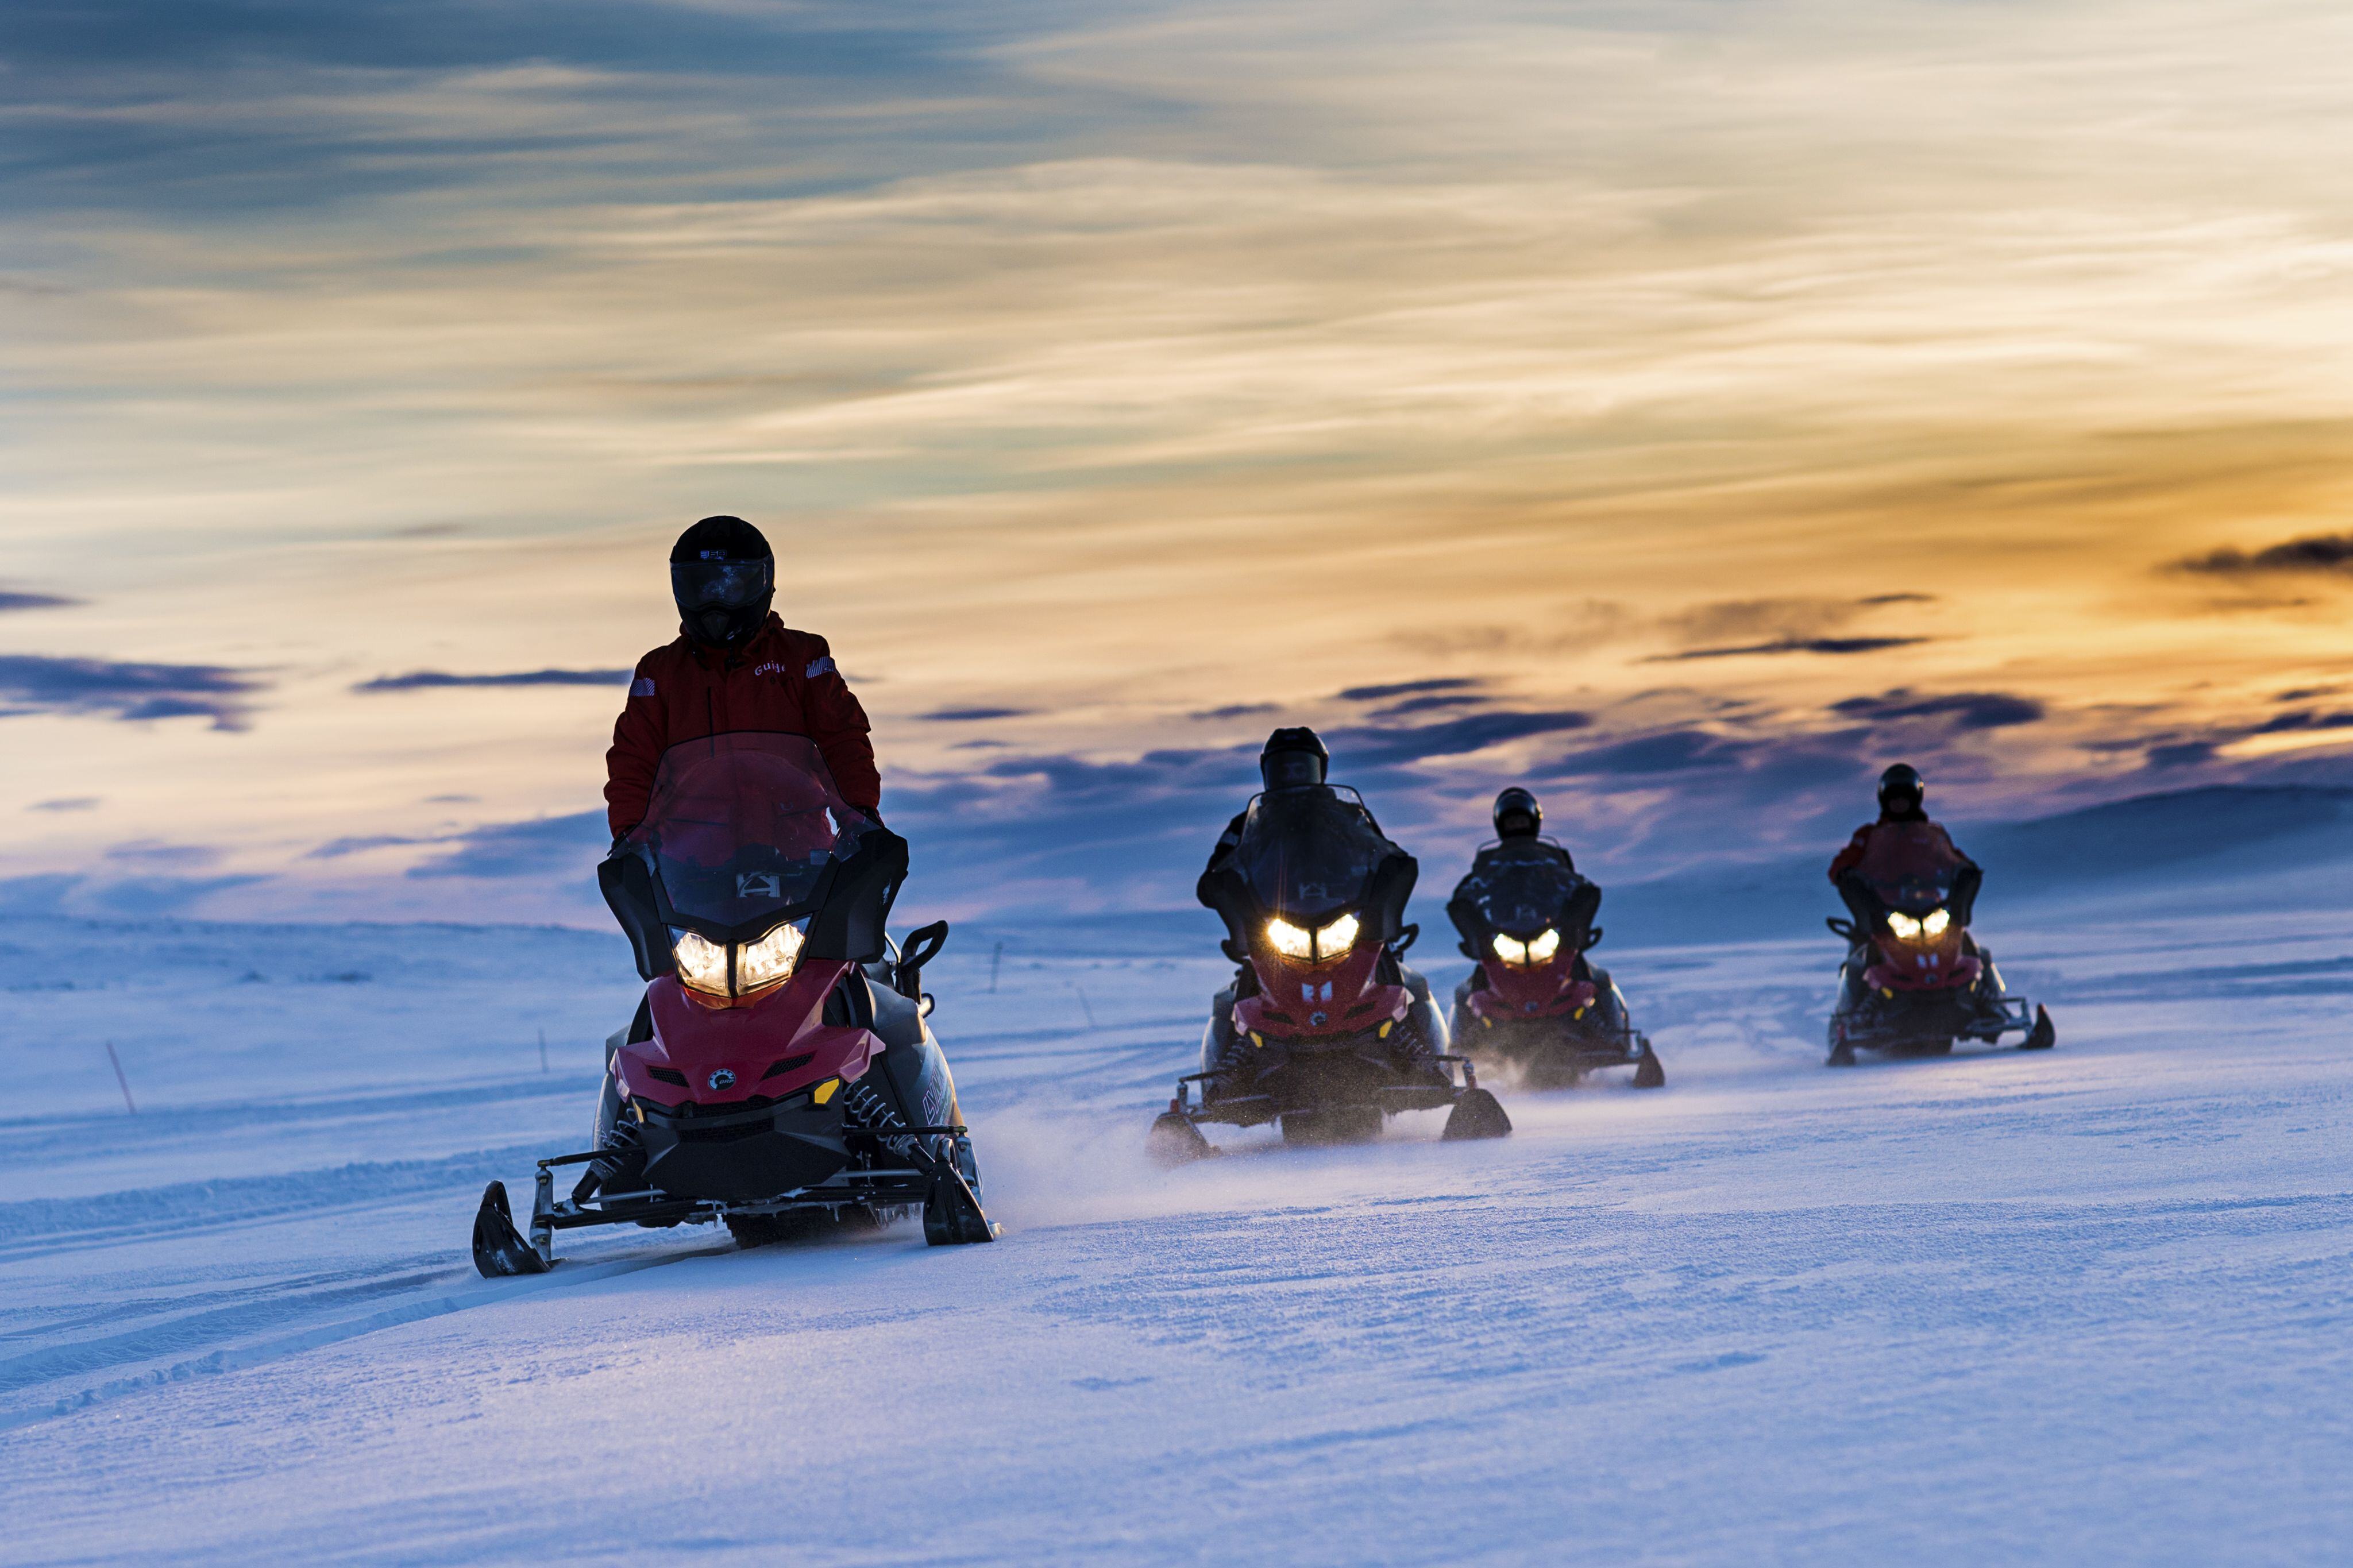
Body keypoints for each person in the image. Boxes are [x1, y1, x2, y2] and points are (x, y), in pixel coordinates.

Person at [1193, 728, 1442, 1096]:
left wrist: (1387, 879)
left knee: (1398, 975)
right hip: (1276, 919)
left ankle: (1427, 1066)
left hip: (1343, 913)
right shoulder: (1245, 827)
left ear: (1319, 769)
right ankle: (1225, 1084)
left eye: (1301, 766)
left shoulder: (1347, 815)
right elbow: (1216, 872)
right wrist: (1225, 889)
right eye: (1285, 767)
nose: (1293, 774)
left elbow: (1385, 853)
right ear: (1268, 772)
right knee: (1240, 992)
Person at [604, 515, 880, 842]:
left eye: (731, 586)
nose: (716, 602)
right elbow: (635, 762)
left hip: (799, 856)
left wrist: (861, 819)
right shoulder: (659, 673)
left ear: (761, 584)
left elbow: (842, 741)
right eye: (702, 587)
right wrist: (630, 838)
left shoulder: (804, 658)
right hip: (691, 864)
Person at [1445, 787, 1622, 1041]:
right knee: (1470, 990)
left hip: (1550, 932)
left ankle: (1617, 1039)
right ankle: (1462, 1047)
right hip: (1503, 934)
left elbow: (1579, 887)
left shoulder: (1550, 862)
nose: (1517, 826)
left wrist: (1577, 921)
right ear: (1501, 825)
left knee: (1596, 979)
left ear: (1533, 822)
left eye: (1521, 821)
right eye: (1512, 822)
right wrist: (1474, 929)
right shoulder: (1491, 865)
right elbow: (1465, 896)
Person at [1826, 763, 1980, 930]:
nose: (1899, 803)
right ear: (1885, 800)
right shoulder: (1868, 836)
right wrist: (1847, 873)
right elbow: (1842, 864)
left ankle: (1968, 940)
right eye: (1894, 798)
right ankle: (1866, 938)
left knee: (1962, 940)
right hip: (1884, 912)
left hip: (1931, 909)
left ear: (1914, 799)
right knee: (1868, 945)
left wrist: (1965, 870)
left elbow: (1953, 859)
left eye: (1904, 798)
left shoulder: (1932, 836)